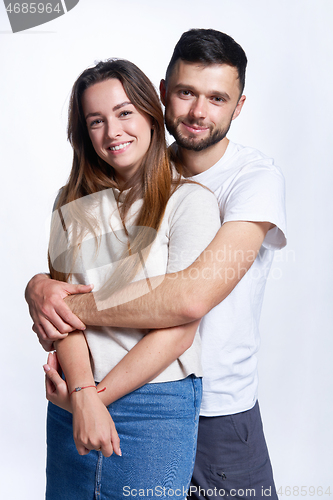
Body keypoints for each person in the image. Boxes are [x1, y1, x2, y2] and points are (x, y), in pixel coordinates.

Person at [26, 30, 287, 499]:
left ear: (239, 106)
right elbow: (81, 278)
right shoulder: (136, 173)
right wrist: (42, 286)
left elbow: (188, 300)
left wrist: (62, 305)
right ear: (162, 96)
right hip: (108, 393)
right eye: (186, 93)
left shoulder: (252, 180)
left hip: (216, 408)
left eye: (216, 98)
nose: (197, 112)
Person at [39, 58, 221, 499]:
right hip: (73, 398)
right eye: (95, 121)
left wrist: (92, 398)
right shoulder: (73, 202)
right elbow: (64, 312)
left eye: (124, 113)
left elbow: (179, 330)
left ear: (150, 113)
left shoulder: (189, 203)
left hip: (156, 404)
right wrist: (82, 394)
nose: (112, 132)